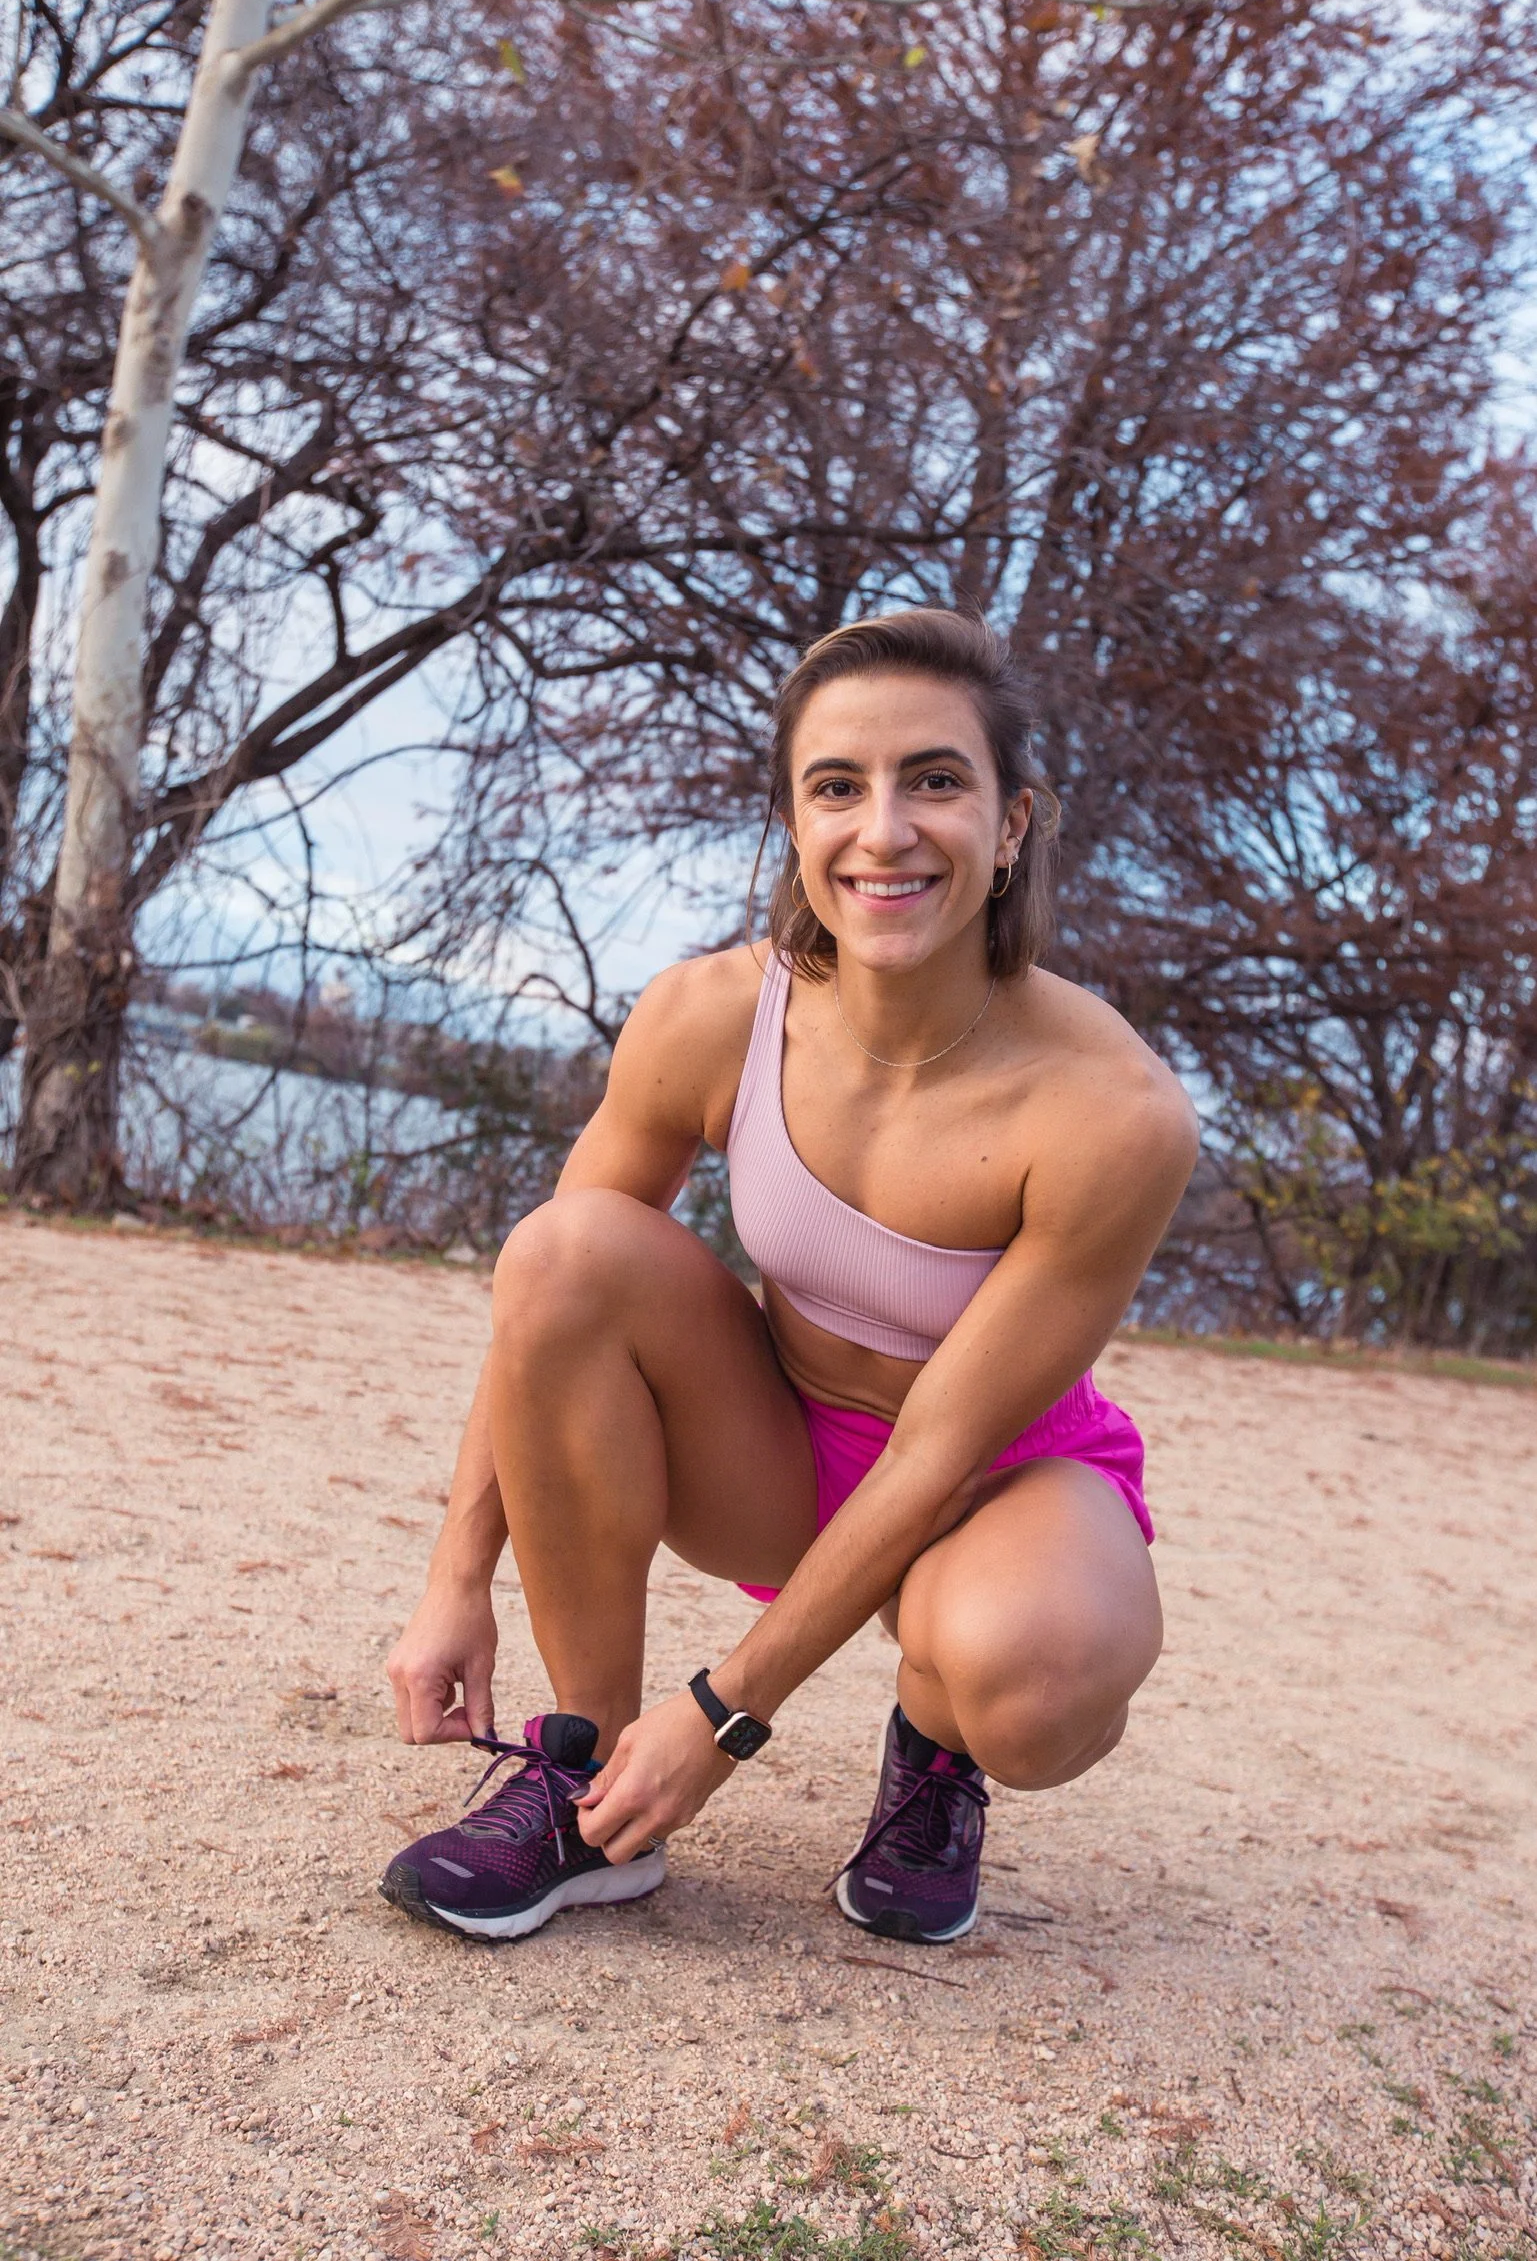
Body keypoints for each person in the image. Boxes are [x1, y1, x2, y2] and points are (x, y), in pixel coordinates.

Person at [381, 608, 1197, 1948]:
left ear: (1010, 826)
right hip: (773, 1456)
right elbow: (547, 1310)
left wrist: (721, 1717)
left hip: (991, 1483)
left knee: (1035, 1683)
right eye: (838, 786)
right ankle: (584, 1783)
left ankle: (938, 1750)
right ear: (795, 820)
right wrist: (456, 1577)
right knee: (569, 1244)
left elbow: (940, 1449)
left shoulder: (1114, 1111)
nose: (884, 831)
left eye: (936, 779)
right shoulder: (709, 1015)